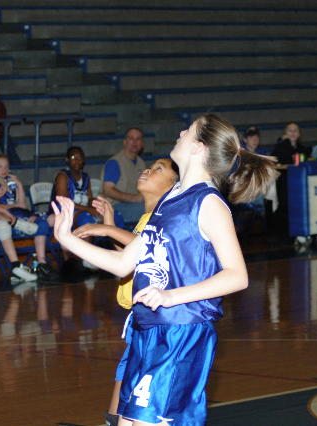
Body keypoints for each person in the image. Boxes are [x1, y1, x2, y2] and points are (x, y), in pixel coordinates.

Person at [52, 113, 278, 425]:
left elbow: (237, 276)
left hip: (180, 332)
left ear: (199, 147)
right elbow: (123, 263)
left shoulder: (209, 203)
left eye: (189, 130)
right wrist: (65, 238)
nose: (181, 132)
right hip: (147, 330)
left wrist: (172, 296)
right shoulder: (169, 199)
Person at [72, 158, 179, 426]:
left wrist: (108, 229)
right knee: (125, 383)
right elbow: (128, 261)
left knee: (136, 391)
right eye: (149, 166)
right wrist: (110, 222)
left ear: (172, 186)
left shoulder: (166, 218)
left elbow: (148, 245)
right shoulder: (146, 218)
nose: (147, 170)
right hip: (138, 316)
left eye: (158, 169)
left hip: (157, 319)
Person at [0, 154, 57, 281]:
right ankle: (35, 263)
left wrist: (19, 184)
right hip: (8, 218)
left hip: (22, 215)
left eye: (6, 167)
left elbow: (23, 205)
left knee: (43, 224)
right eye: (0, 166)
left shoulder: (10, 183)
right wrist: (12, 204)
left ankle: (41, 263)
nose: (4, 169)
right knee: (39, 225)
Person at [101, 128, 146, 224]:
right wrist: (134, 199)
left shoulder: (141, 163)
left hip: (133, 206)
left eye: (138, 139)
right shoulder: (115, 163)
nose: (134, 142)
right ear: (125, 142)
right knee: (148, 210)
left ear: (142, 143)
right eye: (131, 138)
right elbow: (107, 190)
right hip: (114, 206)